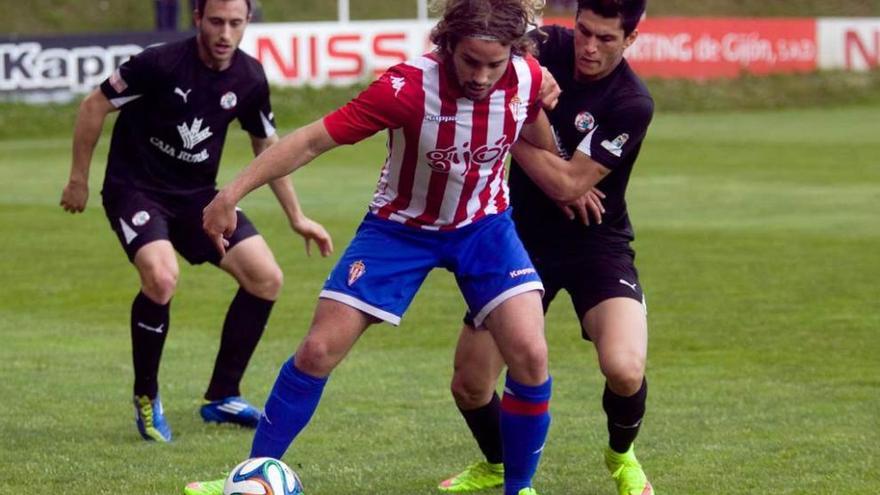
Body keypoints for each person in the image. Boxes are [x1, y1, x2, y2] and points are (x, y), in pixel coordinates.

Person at [184, 1, 558, 494]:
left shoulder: (527, 76)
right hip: (398, 229)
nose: (482, 76)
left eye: (496, 64)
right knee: (318, 350)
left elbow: (535, 133)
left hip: (485, 227)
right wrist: (230, 193)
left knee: (530, 354)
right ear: (447, 45)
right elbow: (312, 141)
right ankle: (253, 473)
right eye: (471, 61)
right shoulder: (405, 87)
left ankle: (520, 487)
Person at [60, 0, 333, 443]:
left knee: (266, 278)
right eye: (217, 22)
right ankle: (146, 397)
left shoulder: (249, 77)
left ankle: (223, 395)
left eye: (236, 23)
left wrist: (297, 217)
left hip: (197, 199)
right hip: (136, 189)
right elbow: (94, 105)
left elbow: (268, 147)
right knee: (162, 278)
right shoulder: (159, 63)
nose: (226, 33)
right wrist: (78, 180)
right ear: (198, 19)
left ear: (247, 24)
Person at [437, 1, 655, 495]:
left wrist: (505, 124)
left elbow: (569, 186)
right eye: (584, 32)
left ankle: (621, 456)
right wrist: (516, 104)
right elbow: (480, 53)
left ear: (631, 40)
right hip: (518, 239)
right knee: (469, 386)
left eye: (605, 38)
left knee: (623, 368)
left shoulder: (631, 102)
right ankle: (498, 464)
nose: (589, 47)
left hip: (597, 243)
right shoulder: (545, 45)